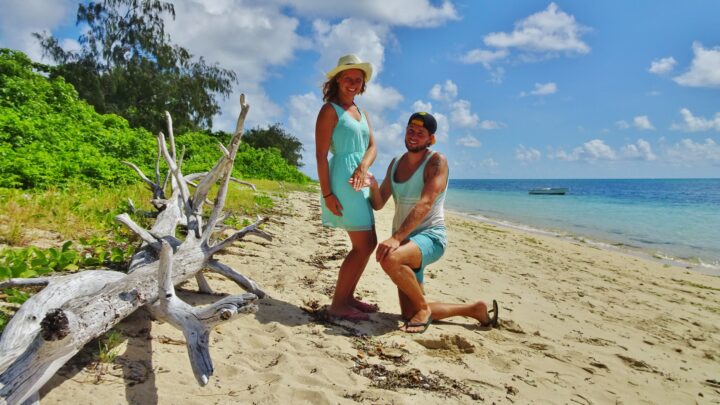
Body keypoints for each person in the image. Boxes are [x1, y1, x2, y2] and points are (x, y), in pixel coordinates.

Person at [360, 112, 499, 333]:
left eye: (420, 133)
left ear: (430, 139)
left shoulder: (436, 162)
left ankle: (424, 309)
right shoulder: (395, 163)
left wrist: (395, 238)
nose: (413, 136)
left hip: (431, 237)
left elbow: (425, 204)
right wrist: (373, 185)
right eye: (410, 130)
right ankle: (474, 309)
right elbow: (378, 204)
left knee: (389, 259)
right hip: (406, 242)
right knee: (409, 313)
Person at [315, 54, 378, 321]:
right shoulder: (330, 110)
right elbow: (320, 156)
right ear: (338, 80)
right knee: (364, 244)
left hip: (360, 179)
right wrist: (328, 194)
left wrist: (364, 165)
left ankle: (347, 296)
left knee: (368, 242)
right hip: (342, 180)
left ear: (363, 85)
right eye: (348, 78)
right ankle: (339, 303)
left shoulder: (362, 113)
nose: (353, 83)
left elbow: (373, 146)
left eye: (358, 80)